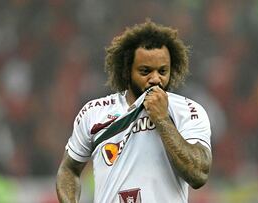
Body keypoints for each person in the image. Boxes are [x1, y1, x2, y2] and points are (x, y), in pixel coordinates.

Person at [56, 20, 213, 203]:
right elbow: (68, 170)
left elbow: (199, 174)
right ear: (126, 71)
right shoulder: (94, 113)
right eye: (145, 71)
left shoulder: (188, 111)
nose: (155, 79)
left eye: (162, 71)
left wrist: (162, 119)